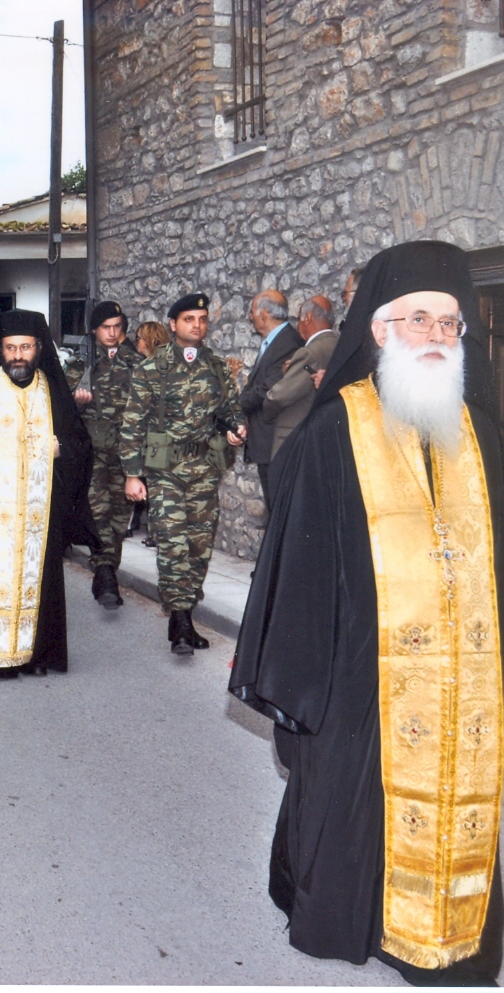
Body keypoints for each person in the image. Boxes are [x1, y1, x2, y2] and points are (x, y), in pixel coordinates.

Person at [230, 241, 503, 985]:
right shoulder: (332, 433)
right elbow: (299, 569)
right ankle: (359, 920)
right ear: (379, 330)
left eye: (449, 323)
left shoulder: (483, 436)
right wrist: (303, 687)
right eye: (418, 319)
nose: (436, 335)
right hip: (361, 674)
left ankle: (455, 932)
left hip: (465, 683)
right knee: (354, 806)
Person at [0, 310, 98, 675]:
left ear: (38, 347)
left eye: (25, 347)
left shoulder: (53, 390)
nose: (18, 356)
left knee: (40, 580)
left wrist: (62, 449)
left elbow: (81, 444)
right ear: (0, 349)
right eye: (11, 348)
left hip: (41, 510)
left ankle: (37, 655)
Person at [118, 292, 245, 654]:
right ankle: (180, 620)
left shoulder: (217, 368)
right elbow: (133, 424)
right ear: (173, 325)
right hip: (166, 472)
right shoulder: (151, 369)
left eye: (202, 320)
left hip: (205, 470)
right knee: (173, 544)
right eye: (189, 319)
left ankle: (185, 610)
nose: (197, 326)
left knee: (199, 547)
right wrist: (132, 474)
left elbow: (231, 410)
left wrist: (236, 429)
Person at [67, 301, 142, 609]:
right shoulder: (79, 364)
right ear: (94, 330)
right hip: (93, 453)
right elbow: (62, 409)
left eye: (117, 327)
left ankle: (107, 568)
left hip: (126, 452)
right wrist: (77, 401)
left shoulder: (136, 362)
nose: (112, 333)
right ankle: (105, 571)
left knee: (120, 517)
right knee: (98, 512)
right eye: (105, 328)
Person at [239, 290, 304, 507]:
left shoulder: (288, 343)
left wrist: (237, 406)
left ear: (264, 315)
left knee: (278, 506)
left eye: (252, 312)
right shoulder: (275, 342)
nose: (251, 317)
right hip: (267, 442)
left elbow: (268, 388)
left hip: (274, 442)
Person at [263, 295, 338, 459]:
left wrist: (266, 410)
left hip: (295, 440)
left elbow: (280, 396)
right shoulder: (339, 346)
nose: (298, 325)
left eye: (299, 319)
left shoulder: (308, 353)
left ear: (308, 318)